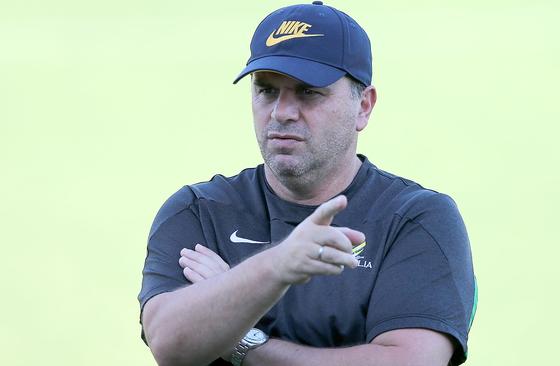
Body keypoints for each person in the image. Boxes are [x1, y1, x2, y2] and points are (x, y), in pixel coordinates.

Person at [138, 2, 477, 365]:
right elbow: (169, 344)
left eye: (308, 92)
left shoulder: (415, 218)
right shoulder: (200, 212)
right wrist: (276, 266)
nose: (282, 112)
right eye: (266, 90)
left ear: (363, 105)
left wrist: (243, 340)